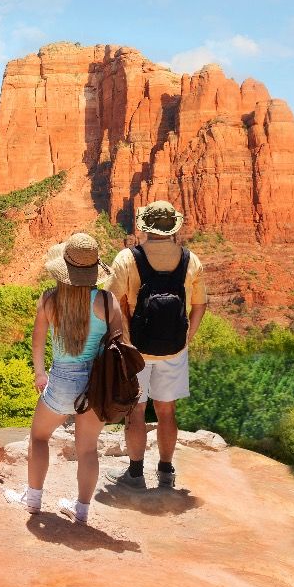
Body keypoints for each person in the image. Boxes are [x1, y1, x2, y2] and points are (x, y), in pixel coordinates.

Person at [5, 233, 125, 524]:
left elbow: (37, 342)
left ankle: (33, 499)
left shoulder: (49, 299)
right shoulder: (107, 302)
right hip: (96, 385)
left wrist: (39, 374)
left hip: (61, 381)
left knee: (39, 436)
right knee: (87, 449)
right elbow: (121, 343)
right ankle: (81, 510)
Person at [104, 201, 207, 489]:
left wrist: (122, 340)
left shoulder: (127, 258)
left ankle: (135, 474)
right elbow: (200, 305)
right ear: (173, 227)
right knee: (166, 412)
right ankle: (166, 472)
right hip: (174, 348)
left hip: (135, 349)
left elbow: (109, 301)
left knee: (136, 411)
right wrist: (187, 337)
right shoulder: (191, 259)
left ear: (144, 227)